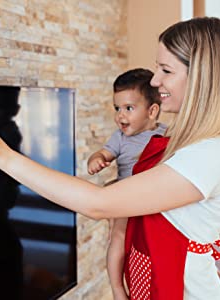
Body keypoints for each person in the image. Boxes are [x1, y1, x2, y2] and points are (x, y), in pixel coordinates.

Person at [0, 16, 220, 300]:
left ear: (199, 76)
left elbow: (99, 205)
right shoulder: (190, 142)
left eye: (166, 70)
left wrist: (1, 156)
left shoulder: (211, 153)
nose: (155, 79)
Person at [87, 68, 166, 299]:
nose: (120, 116)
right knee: (118, 238)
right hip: (126, 199)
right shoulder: (119, 138)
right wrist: (97, 160)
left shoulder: (165, 135)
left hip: (155, 201)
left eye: (129, 108)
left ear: (152, 111)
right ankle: (118, 288)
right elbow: (102, 153)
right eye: (117, 108)